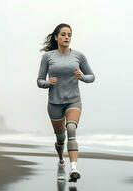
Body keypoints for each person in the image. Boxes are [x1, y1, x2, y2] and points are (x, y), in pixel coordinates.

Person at [37, 23, 95, 182]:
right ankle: (61, 157)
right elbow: (39, 81)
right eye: (63, 34)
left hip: (73, 100)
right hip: (55, 102)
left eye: (69, 35)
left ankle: (74, 168)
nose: (66, 37)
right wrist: (48, 83)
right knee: (60, 138)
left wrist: (82, 77)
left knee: (71, 128)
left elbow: (92, 76)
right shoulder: (48, 57)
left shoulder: (79, 56)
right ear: (56, 37)